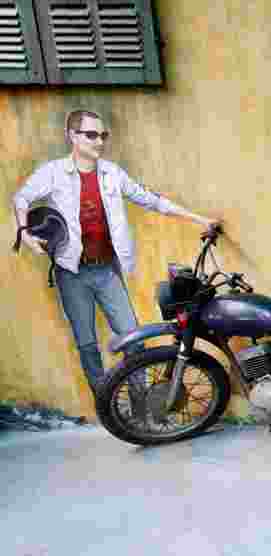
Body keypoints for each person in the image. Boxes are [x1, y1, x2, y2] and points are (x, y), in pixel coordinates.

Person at [12, 109, 219, 397]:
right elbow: (21, 197)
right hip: (71, 272)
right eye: (91, 134)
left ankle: (142, 403)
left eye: (103, 135)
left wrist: (199, 219)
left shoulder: (112, 174)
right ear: (73, 136)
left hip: (106, 270)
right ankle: (105, 403)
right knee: (86, 342)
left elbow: (152, 201)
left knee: (132, 337)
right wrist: (25, 232)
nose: (99, 141)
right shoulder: (53, 173)